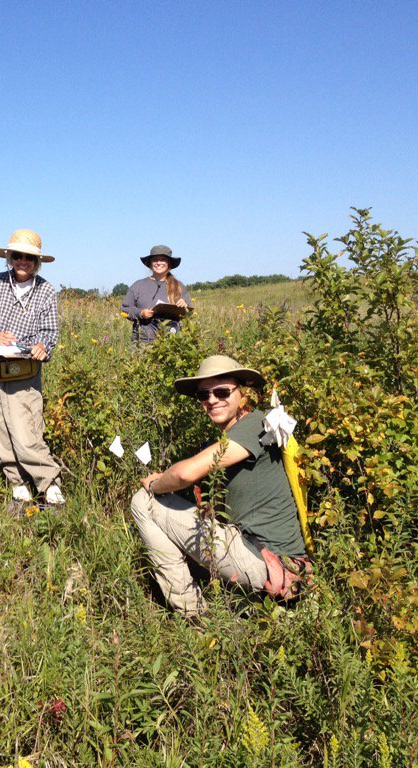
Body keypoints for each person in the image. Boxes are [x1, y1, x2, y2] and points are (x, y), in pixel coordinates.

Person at [130, 355, 310, 615]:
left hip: (269, 560)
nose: (212, 400)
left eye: (222, 391)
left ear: (243, 393)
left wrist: (155, 484)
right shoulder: (240, 432)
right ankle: (231, 603)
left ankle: (193, 614)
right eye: (204, 395)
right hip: (261, 555)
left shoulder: (256, 425)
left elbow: (185, 474)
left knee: (143, 502)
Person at [0, 229, 65, 507]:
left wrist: (42, 347)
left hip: (25, 370)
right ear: (9, 257)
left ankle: (49, 484)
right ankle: (17, 483)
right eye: (17, 256)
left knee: (27, 432)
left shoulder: (46, 290)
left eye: (29, 257)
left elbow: (50, 332)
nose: (22, 261)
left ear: (38, 262)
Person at [121, 245, 193, 342]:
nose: (159, 263)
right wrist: (141, 313)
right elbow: (125, 309)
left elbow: (189, 313)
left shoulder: (178, 286)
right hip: (143, 340)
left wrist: (184, 306)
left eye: (163, 260)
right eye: (155, 260)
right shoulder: (138, 285)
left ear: (169, 264)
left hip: (171, 340)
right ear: (150, 263)